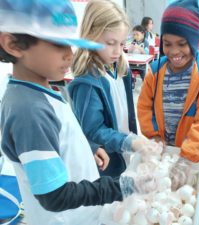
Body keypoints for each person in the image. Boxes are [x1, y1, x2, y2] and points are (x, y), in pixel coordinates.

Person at [0, 1, 156, 225]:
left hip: (82, 213)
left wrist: (89, 148)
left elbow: (60, 135)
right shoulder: (28, 111)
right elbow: (54, 196)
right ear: (14, 45)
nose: (69, 55)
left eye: (70, 44)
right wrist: (121, 187)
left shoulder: (41, 91)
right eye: (58, 44)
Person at [137, 0, 199, 189]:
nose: (174, 51)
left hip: (195, 154)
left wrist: (187, 159)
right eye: (167, 44)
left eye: (182, 44)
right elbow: (144, 107)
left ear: (193, 42)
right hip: (166, 148)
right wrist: (154, 137)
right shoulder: (155, 72)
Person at [68, 0, 149, 178]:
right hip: (106, 161)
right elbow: (93, 130)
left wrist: (132, 139)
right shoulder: (87, 82)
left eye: (121, 44)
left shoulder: (120, 67)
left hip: (124, 150)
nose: (118, 51)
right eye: (111, 43)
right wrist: (129, 141)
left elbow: (126, 110)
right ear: (91, 37)